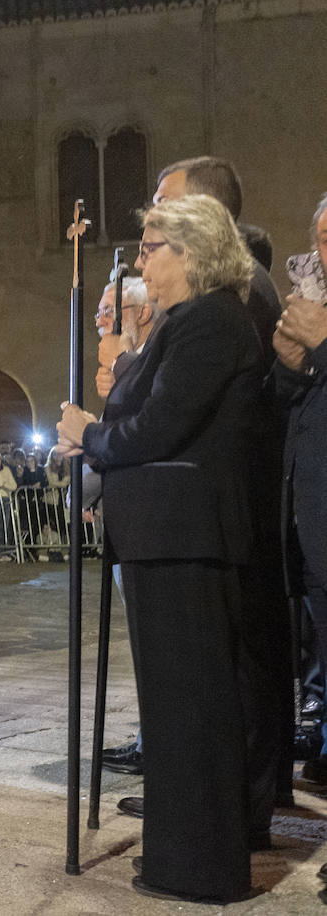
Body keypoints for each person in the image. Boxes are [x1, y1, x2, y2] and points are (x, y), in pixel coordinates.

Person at [56, 194, 261, 904]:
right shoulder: (184, 325)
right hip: (165, 539)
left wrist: (90, 435)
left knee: (192, 710)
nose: (141, 262)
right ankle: (179, 856)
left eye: (150, 248)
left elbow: (159, 428)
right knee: (172, 711)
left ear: (192, 253)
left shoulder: (210, 322)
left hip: (187, 539)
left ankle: (199, 864)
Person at [149, 155, 292, 842]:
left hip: (240, 506)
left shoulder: (239, 294)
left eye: (165, 205)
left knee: (247, 663)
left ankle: (243, 804)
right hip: (236, 504)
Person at [274, 194, 327, 786]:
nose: (321, 254)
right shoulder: (313, 308)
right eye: (320, 241)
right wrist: (289, 364)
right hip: (311, 530)